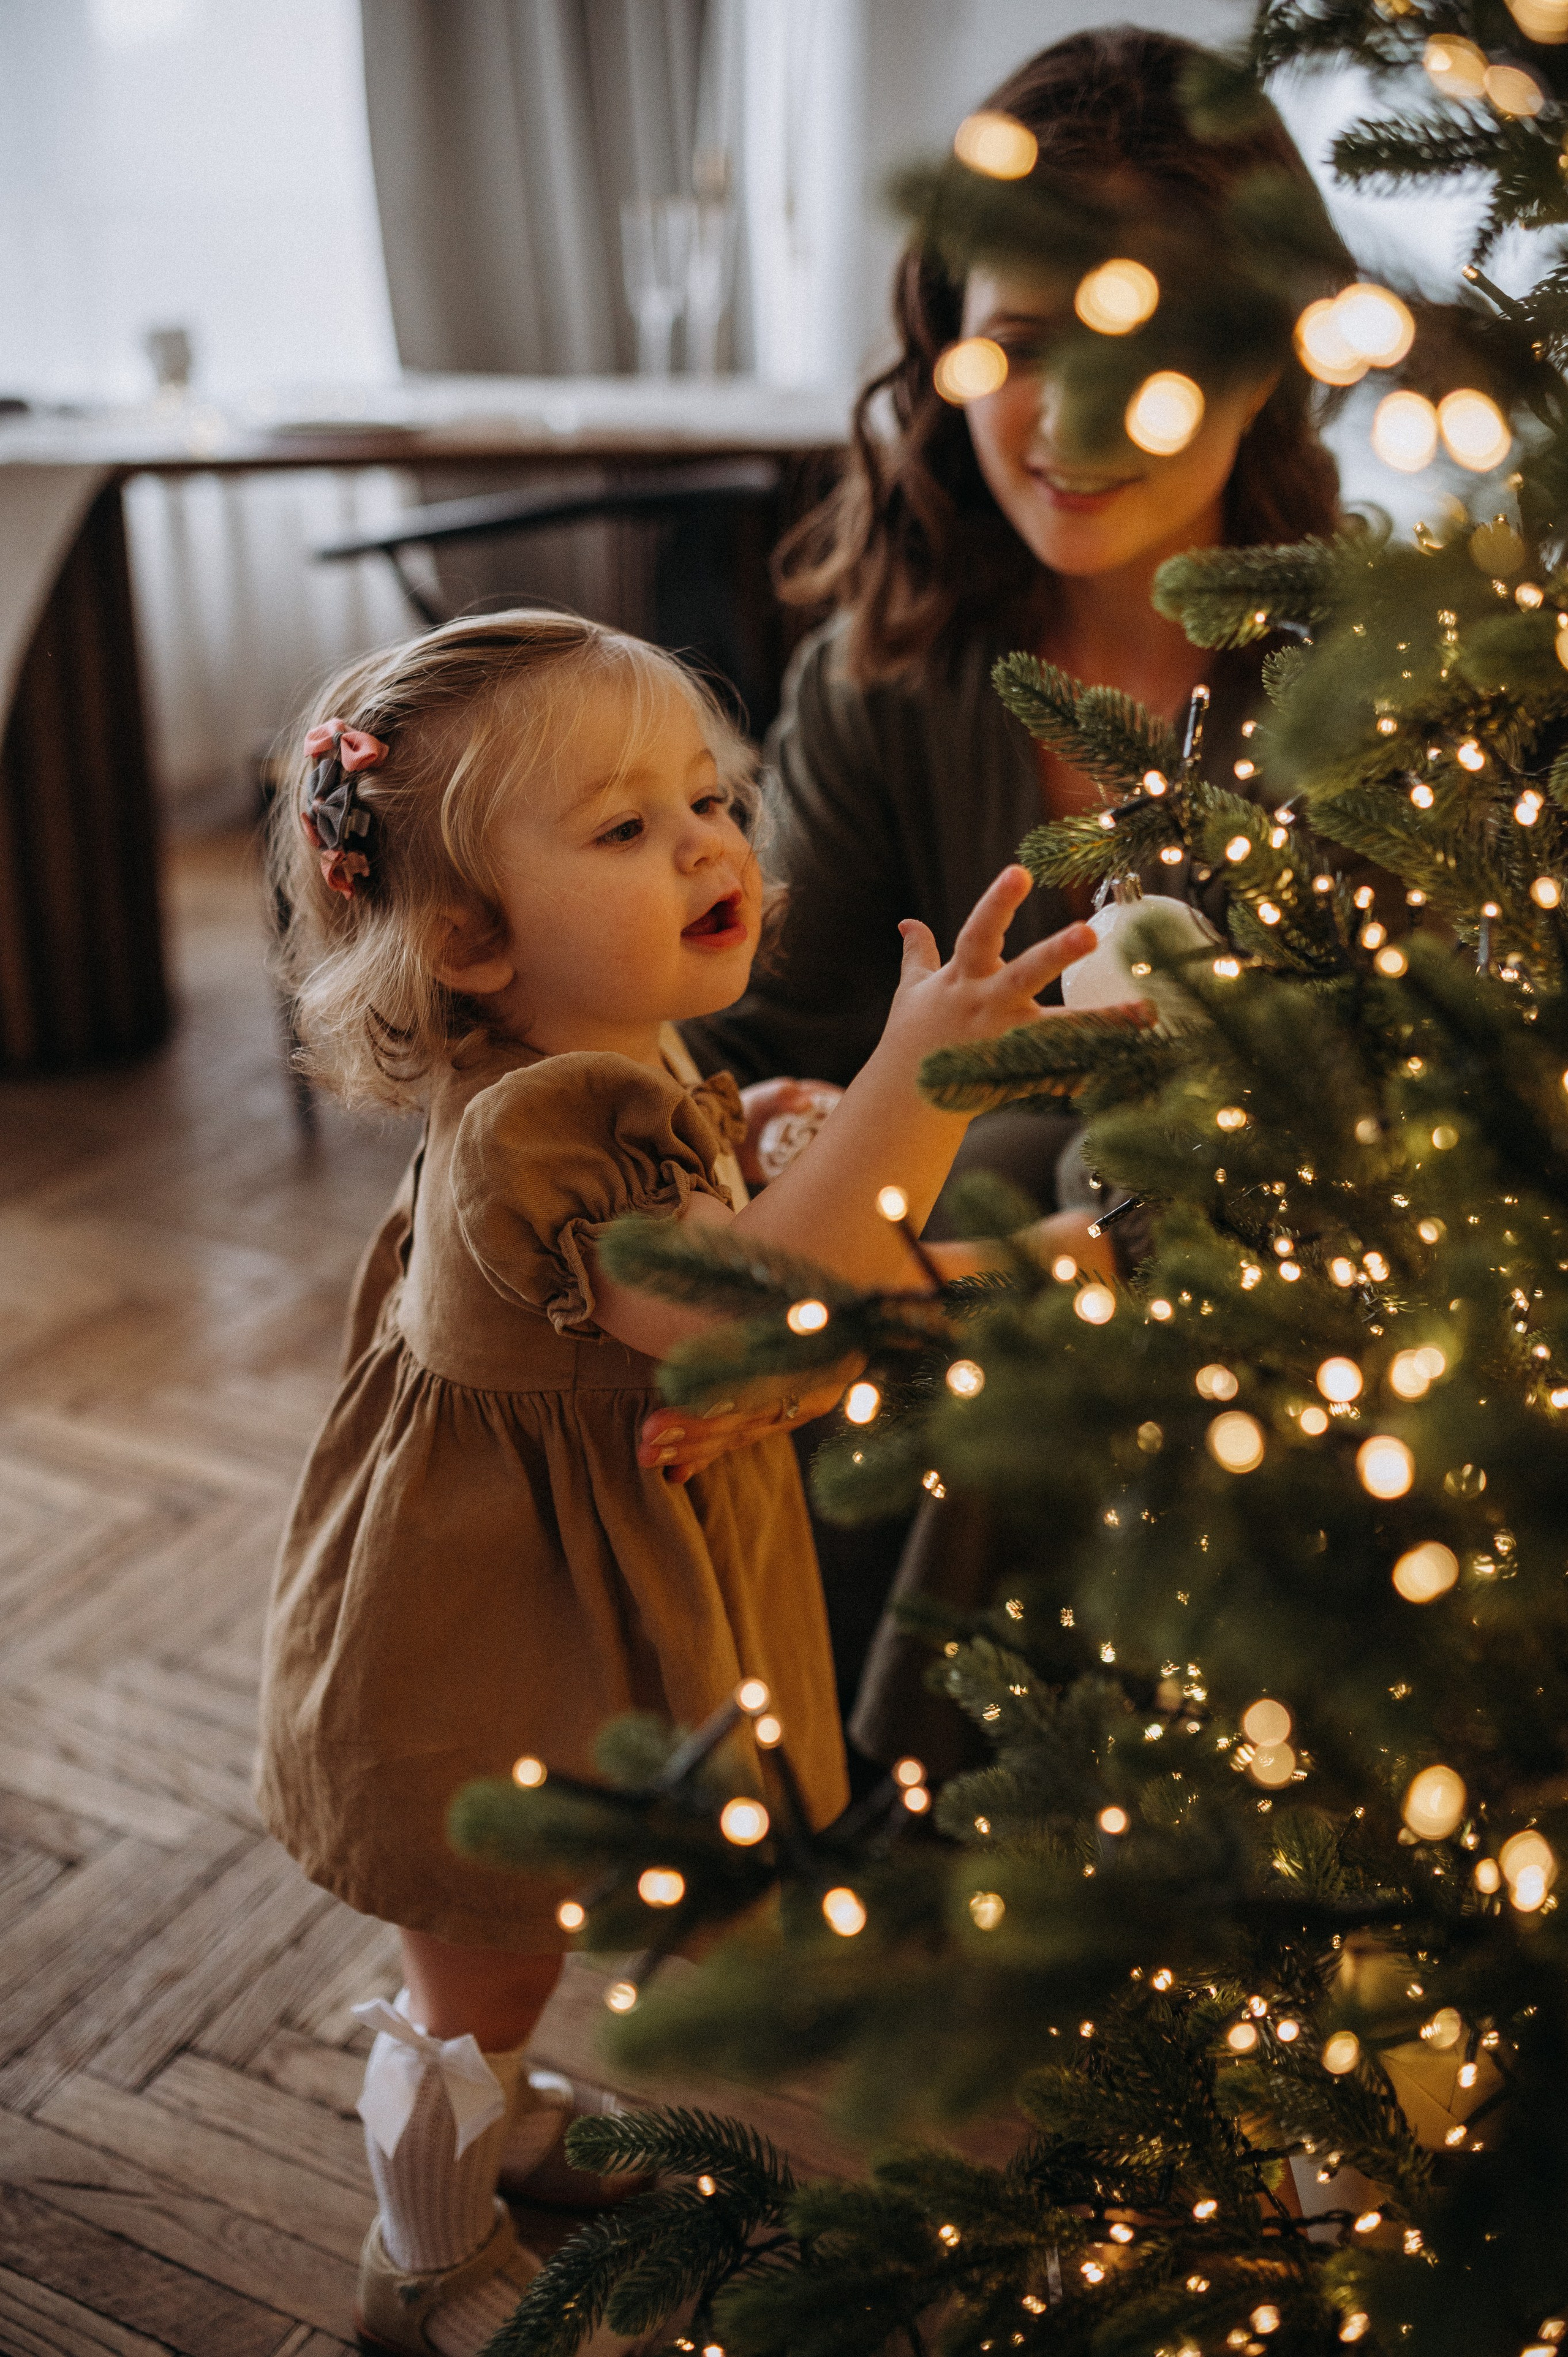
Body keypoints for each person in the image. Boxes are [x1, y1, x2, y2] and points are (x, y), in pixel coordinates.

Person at [255, 609, 1136, 2354]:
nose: (708, 843)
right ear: (466, 934)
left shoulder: (616, 1060)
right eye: (622, 828)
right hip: (490, 1622)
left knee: (547, 1906)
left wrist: (782, 1137)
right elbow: (747, 1298)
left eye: (712, 798)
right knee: (489, 1943)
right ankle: (420, 2253)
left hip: (591, 1562)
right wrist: (922, 1075)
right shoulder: (533, 1123)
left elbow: (713, 1226)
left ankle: (496, 2123)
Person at [681, 25, 1351, 1767]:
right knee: (958, 1165)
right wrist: (786, 1125)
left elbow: (1393, 1107)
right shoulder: (880, 676)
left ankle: (902, 1801)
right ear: (945, 357)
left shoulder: (1376, 677)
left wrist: (1068, 1238)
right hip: (947, 1286)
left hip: (1303, 1327)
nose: (1068, 420)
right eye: (1022, 346)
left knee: (1039, 1160)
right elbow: (762, 1040)